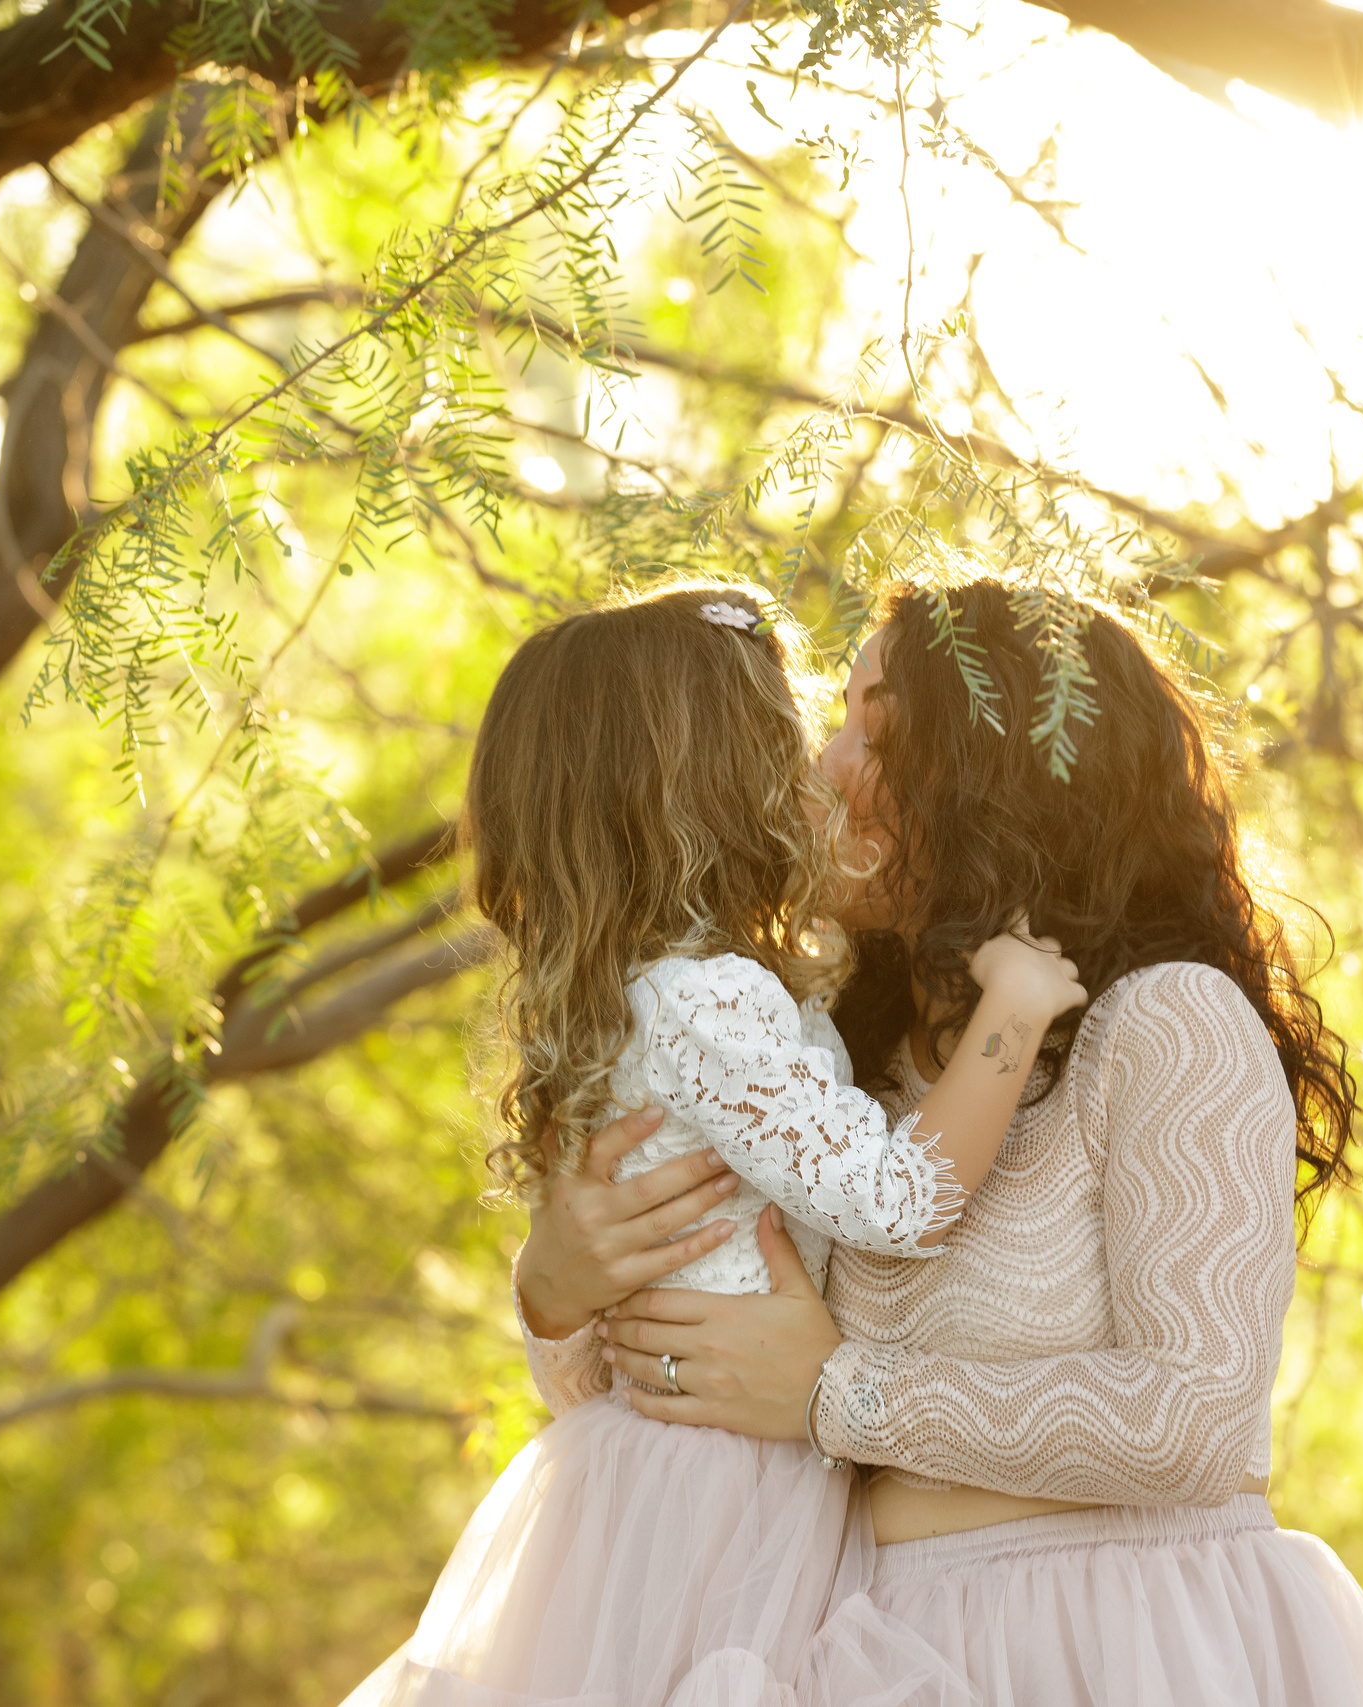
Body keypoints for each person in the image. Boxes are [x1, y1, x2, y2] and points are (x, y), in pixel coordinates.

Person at [516, 580, 1363, 1705]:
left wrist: (839, 1394)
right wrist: (554, 1296)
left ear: (996, 769)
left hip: (1108, 1645)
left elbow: (1193, 1418)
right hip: (853, 1644)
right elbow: (688, 1402)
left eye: (872, 727)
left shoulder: (1165, 1023)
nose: (825, 766)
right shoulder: (842, 1052)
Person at [335, 582, 1087, 1707]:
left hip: (688, 1471)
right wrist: (1015, 1012)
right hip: (727, 1485)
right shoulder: (711, 1000)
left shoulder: (657, 994)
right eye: (787, 743)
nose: (818, 771)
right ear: (716, 788)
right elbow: (896, 1200)